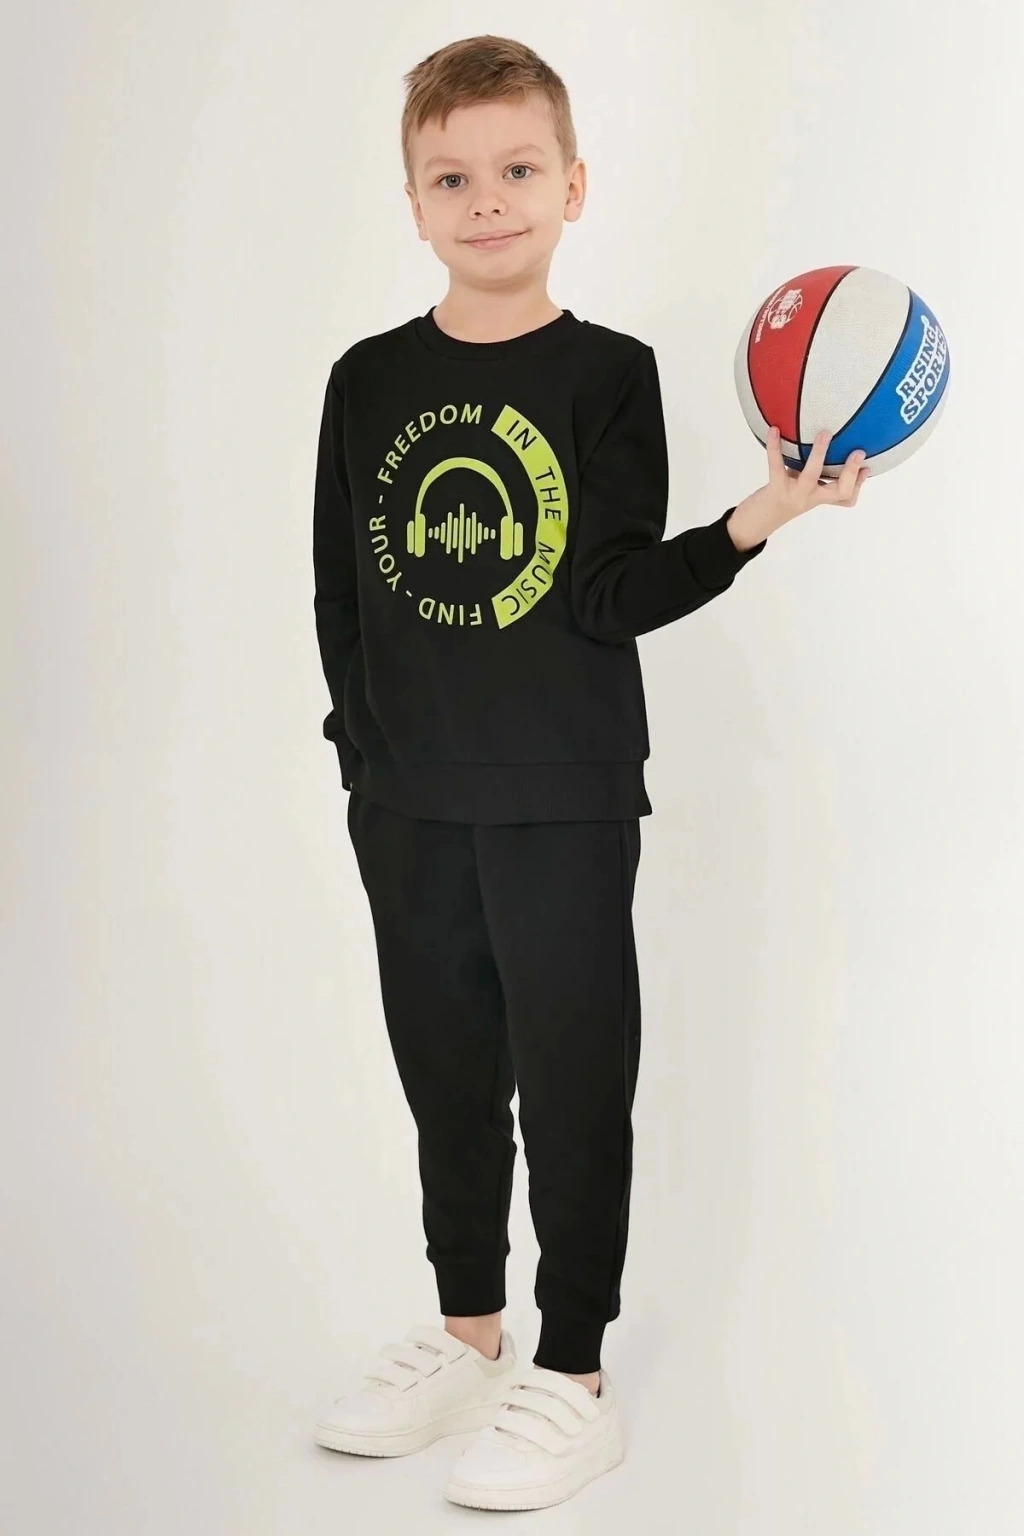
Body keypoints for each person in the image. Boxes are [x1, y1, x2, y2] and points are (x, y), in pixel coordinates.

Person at [310, 34, 870, 1515]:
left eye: (516, 169)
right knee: (445, 1075)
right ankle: (467, 1337)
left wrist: (762, 514)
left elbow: (611, 591)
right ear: (412, 203)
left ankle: (573, 1371)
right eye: (451, 178)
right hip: (407, 798)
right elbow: (340, 588)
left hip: (561, 791)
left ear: (573, 186)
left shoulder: (610, 375)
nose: (485, 200)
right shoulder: (367, 380)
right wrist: (364, 752)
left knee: (570, 1079)